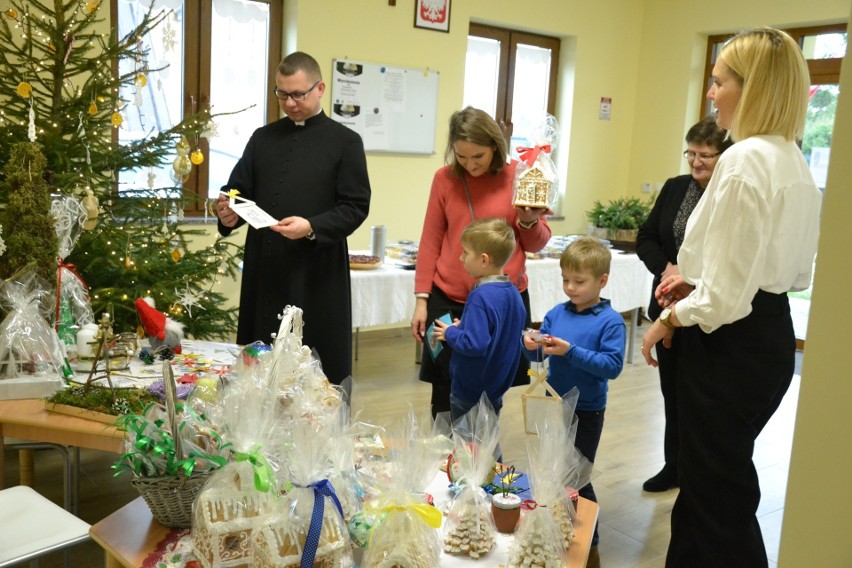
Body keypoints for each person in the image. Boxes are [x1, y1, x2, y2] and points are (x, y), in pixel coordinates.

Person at [640, 28, 821, 568]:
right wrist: (697, 280)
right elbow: (788, 272)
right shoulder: (793, 159)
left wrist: (669, 317)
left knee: (717, 500)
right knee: (710, 485)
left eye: (719, 82)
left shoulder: (743, 160)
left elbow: (725, 300)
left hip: (728, 345)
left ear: (753, 87)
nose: (712, 93)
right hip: (768, 336)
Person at [216, 51, 371, 385]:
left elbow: (356, 206)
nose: (289, 103)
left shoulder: (346, 142)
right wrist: (228, 213)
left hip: (317, 272)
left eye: (297, 94)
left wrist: (312, 226)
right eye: (281, 94)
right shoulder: (263, 138)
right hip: (266, 268)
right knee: (261, 364)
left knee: (316, 372)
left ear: (320, 89)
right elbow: (236, 191)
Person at [411, 106, 551, 417]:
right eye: (462, 156)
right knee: (445, 385)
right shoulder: (444, 179)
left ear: (495, 148)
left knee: (491, 385)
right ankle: (445, 457)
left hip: (501, 303)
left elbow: (537, 242)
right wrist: (422, 299)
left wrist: (529, 222)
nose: (470, 165)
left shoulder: (519, 176)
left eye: (478, 157)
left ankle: (480, 451)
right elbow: (430, 240)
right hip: (448, 301)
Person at [635, 116, 733, 493]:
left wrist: (692, 276)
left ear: (724, 156)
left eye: (705, 156)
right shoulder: (676, 188)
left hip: (708, 311)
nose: (695, 163)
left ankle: (697, 471)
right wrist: (667, 268)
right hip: (666, 305)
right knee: (671, 392)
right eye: (690, 154)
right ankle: (673, 466)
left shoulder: (729, 192)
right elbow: (646, 238)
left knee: (701, 398)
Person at [522, 236, 626, 564]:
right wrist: (532, 341)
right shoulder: (556, 313)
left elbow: (611, 366)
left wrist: (572, 351)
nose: (570, 287)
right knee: (556, 470)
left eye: (579, 282)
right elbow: (542, 345)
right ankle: (562, 525)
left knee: (577, 477)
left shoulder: (610, 322)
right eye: (565, 280)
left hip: (588, 409)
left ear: (602, 281)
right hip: (556, 403)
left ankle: (589, 539)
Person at [431, 218, 527, 423]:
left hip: (471, 390)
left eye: (465, 252)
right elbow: (498, 333)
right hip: (496, 387)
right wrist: (464, 326)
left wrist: (450, 333)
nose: (460, 257)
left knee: (469, 449)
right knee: (487, 441)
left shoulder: (480, 296)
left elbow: (475, 344)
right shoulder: (513, 293)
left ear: (484, 260)